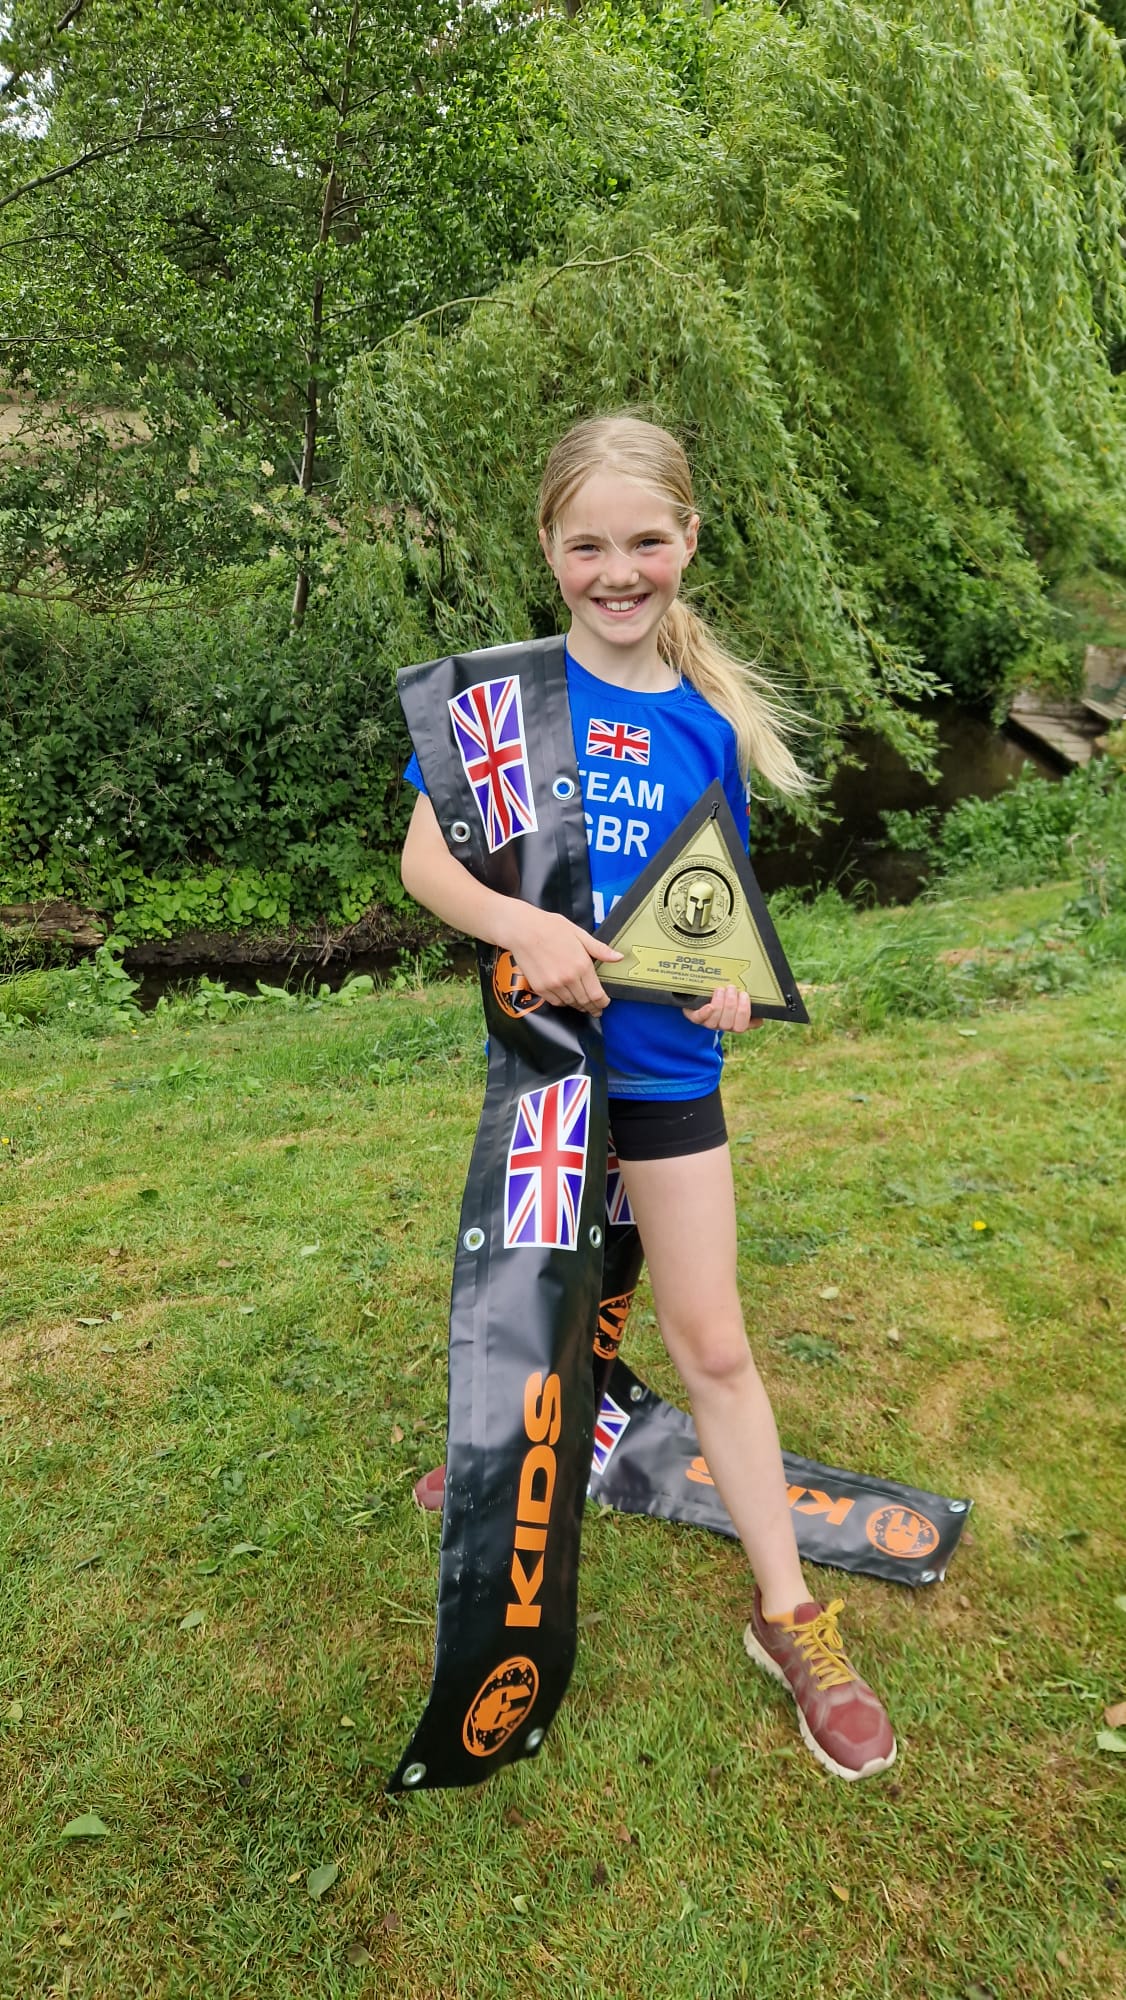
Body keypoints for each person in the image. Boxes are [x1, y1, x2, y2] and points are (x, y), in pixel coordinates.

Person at [400, 414, 896, 1782]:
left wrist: (729, 977)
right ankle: (508, 1487)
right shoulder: (496, 705)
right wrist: (519, 926)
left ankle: (790, 1615)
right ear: (549, 551)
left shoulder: (703, 723)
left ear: (686, 544)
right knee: (537, 1308)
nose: (618, 570)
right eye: (588, 545)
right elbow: (426, 868)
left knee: (715, 1346)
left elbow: (710, 895)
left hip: (669, 1077)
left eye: (645, 542)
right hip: (552, 1078)